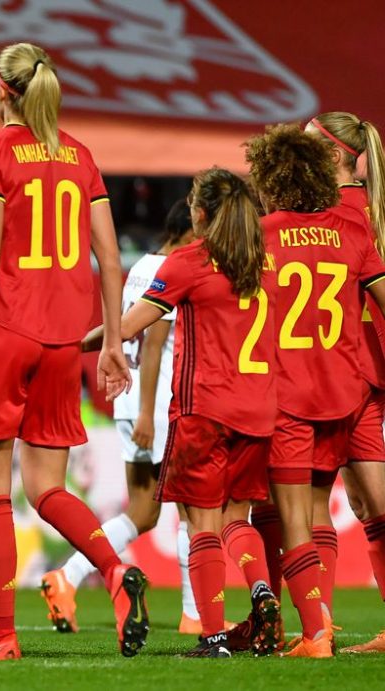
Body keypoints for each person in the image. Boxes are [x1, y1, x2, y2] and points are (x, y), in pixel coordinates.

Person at [0, 42, 146, 662]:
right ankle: (114, 571)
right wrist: (113, 339)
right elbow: (111, 260)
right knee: (47, 488)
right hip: (65, 340)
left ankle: (1, 636)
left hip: (7, 329)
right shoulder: (79, 154)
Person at [121, 168, 281, 658]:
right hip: (258, 411)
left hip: (203, 410)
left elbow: (132, 328)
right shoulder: (264, 262)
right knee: (239, 518)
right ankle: (260, 591)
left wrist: (76, 345)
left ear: (201, 212)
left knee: (200, 522)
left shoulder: (190, 261)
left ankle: (212, 635)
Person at [246, 123, 385, 658]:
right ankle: (312, 621)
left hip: (297, 385)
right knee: (362, 501)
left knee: (297, 511)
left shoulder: (268, 231)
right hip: (349, 381)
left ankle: (311, 626)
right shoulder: (357, 222)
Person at [41, 200, 199, 634]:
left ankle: (66, 576)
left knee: (143, 512)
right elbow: (152, 343)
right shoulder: (174, 267)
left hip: (128, 405)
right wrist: (150, 410)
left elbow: (125, 327)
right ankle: (194, 615)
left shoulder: (140, 267)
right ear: (190, 232)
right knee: (192, 509)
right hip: (157, 402)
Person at [305, 112, 385, 654]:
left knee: (314, 501)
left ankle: (319, 626)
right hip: (365, 371)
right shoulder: (367, 212)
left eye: (308, 145)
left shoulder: (332, 219)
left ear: (333, 155)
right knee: (366, 503)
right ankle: (321, 627)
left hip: (340, 374)